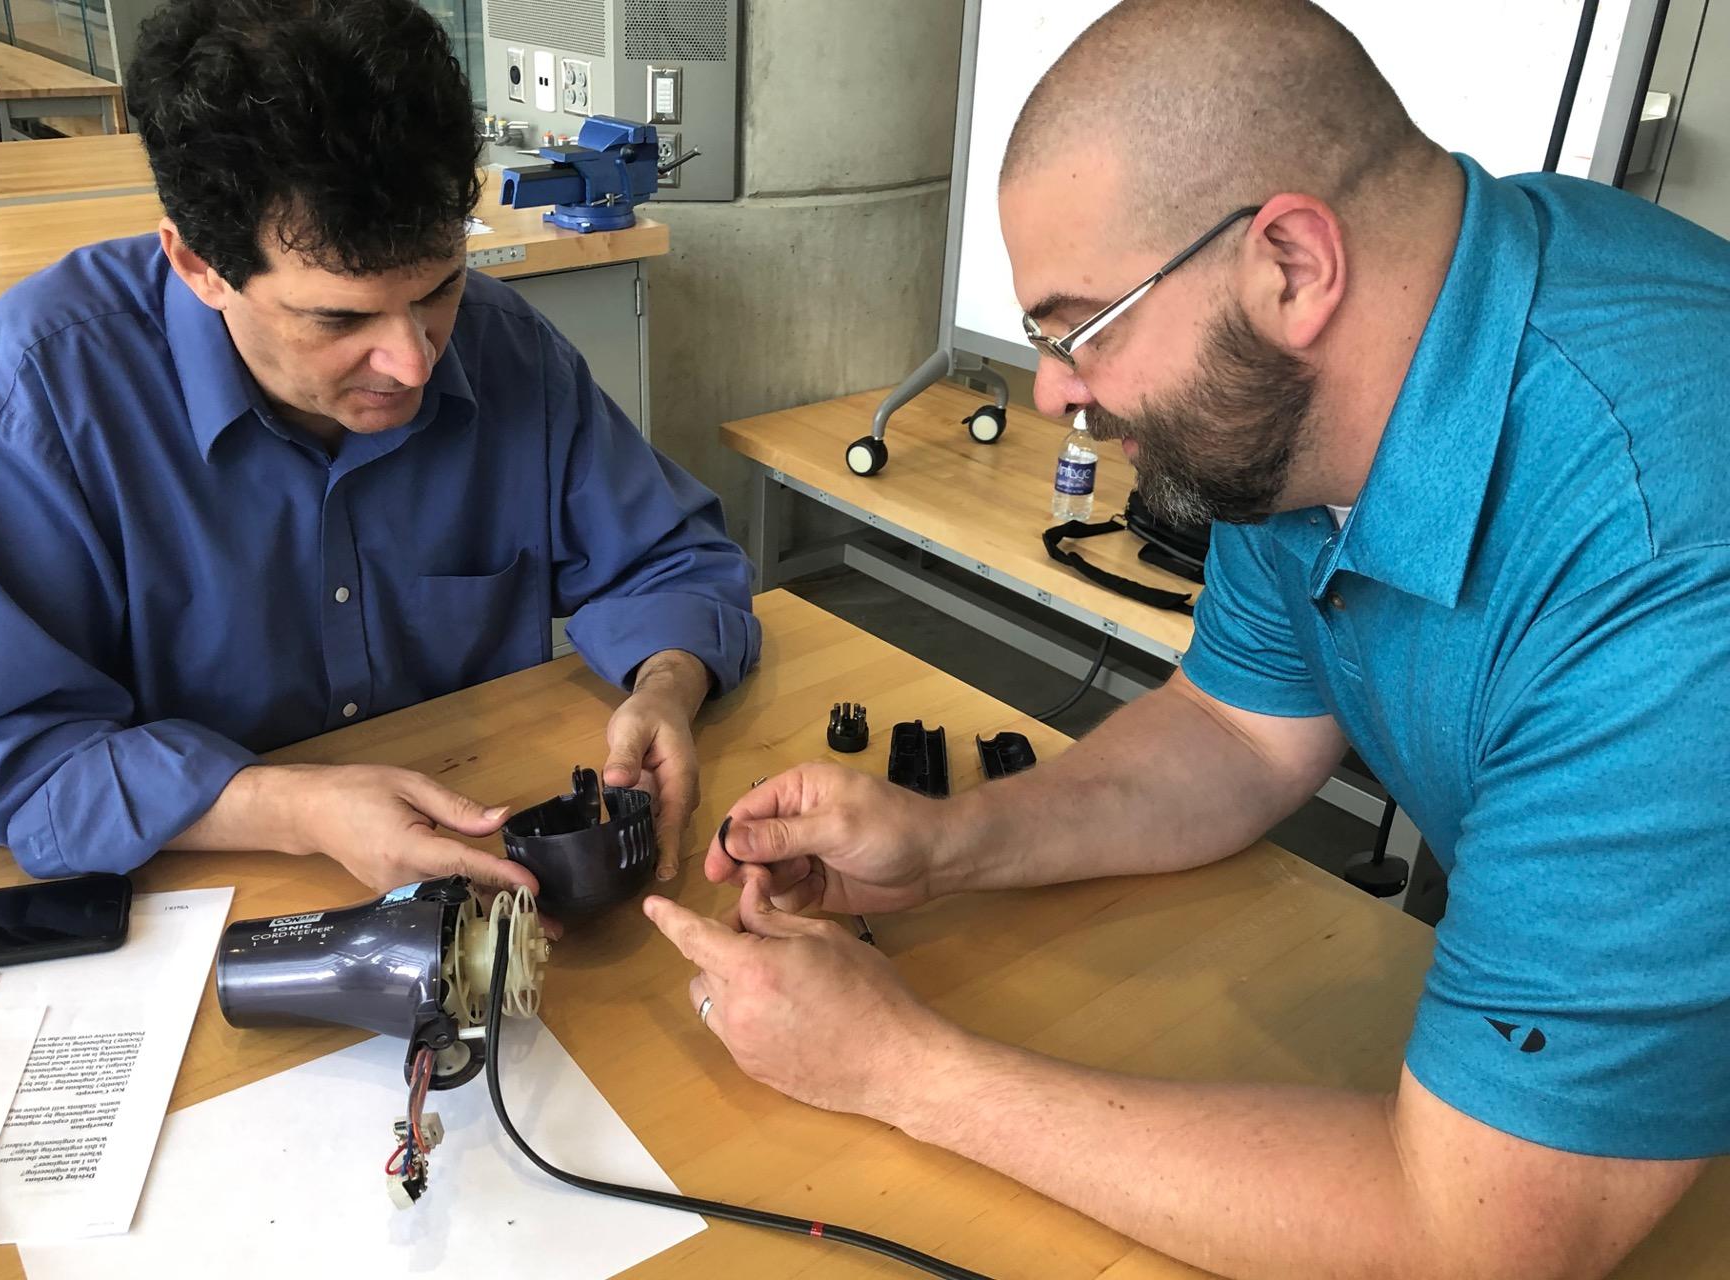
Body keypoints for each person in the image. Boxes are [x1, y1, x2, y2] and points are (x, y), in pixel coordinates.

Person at [645, 0, 1730, 1275]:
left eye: (1082, 329)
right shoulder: (1316, 391)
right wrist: (949, 846)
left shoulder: (1668, 570)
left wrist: (899, 1066)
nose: (1051, 386)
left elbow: (1479, 1240)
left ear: (1292, 264)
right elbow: (1236, 729)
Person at [0, 0, 759, 895]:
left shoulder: (503, 348)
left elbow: (677, 563)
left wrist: (667, 682)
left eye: (438, 288)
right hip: (202, 898)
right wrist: (295, 808)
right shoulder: (38, 393)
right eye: (339, 318)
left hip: (487, 875)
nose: (415, 361)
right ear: (198, 265)